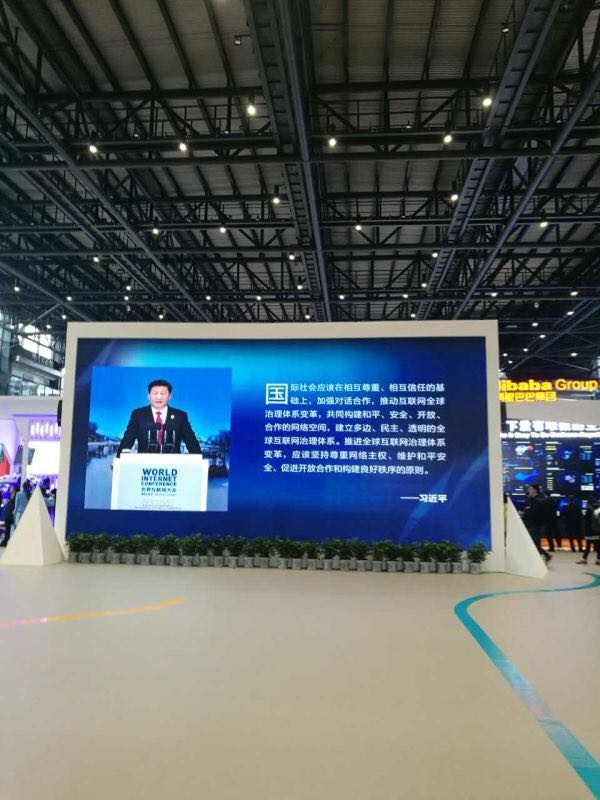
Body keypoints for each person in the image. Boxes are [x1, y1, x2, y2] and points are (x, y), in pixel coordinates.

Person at [116, 379, 201, 457]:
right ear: (148, 396)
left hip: (173, 466)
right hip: (144, 465)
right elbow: (127, 440)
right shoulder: (138, 415)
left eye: (163, 394)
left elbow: (192, 443)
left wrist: (200, 462)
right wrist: (118, 460)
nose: (159, 397)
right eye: (155, 393)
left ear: (169, 396)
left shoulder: (180, 416)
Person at [522, 484, 552, 564]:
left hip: (537, 524)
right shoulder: (531, 499)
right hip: (532, 524)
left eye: (530, 489)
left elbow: (537, 511)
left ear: (535, 490)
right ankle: (541, 558)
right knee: (535, 543)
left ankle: (544, 556)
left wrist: (529, 508)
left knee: (534, 543)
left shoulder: (540, 499)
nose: (529, 491)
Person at [576, 498, 600, 566]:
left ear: (589, 504)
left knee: (588, 546)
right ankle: (598, 559)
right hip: (596, 531)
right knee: (598, 546)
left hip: (590, 531)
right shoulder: (597, 510)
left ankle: (584, 559)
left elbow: (586, 520)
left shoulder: (589, 510)